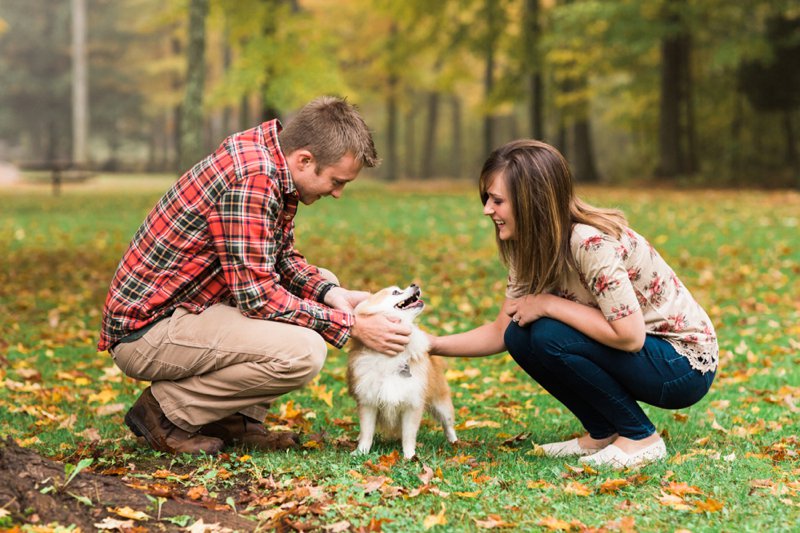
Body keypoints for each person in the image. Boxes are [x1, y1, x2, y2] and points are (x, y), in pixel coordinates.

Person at [98, 96, 411, 455]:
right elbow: (258, 297)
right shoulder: (254, 179)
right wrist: (351, 325)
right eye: (337, 181)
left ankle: (230, 419)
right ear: (305, 160)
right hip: (146, 330)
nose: (338, 194)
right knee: (303, 351)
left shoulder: (271, 161)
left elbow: (279, 259)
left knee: (324, 282)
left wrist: (330, 294)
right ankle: (164, 413)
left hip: (187, 309)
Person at [428, 139, 718, 469]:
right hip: (644, 355)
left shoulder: (590, 242)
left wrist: (548, 305)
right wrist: (427, 345)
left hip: (681, 365)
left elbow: (630, 336)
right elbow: (500, 332)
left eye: (497, 200)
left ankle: (640, 438)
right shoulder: (529, 248)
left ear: (531, 201)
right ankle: (603, 432)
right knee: (520, 336)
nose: (487, 210)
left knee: (547, 333)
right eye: (486, 199)